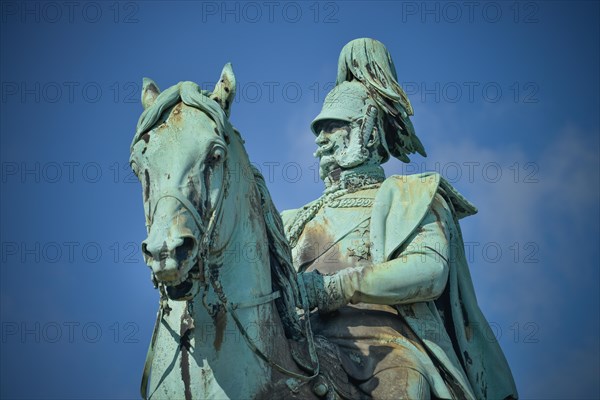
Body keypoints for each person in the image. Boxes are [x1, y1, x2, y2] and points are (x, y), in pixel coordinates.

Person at [281, 39, 517, 399]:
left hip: (387, 346)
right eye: (319, 130)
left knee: (405, 385)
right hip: (304, 345)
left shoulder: (414, 196)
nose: (321, 141)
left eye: (333, 127)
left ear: (369, 131)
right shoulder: (293, 219)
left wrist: (336, 287)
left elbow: (428, 272)